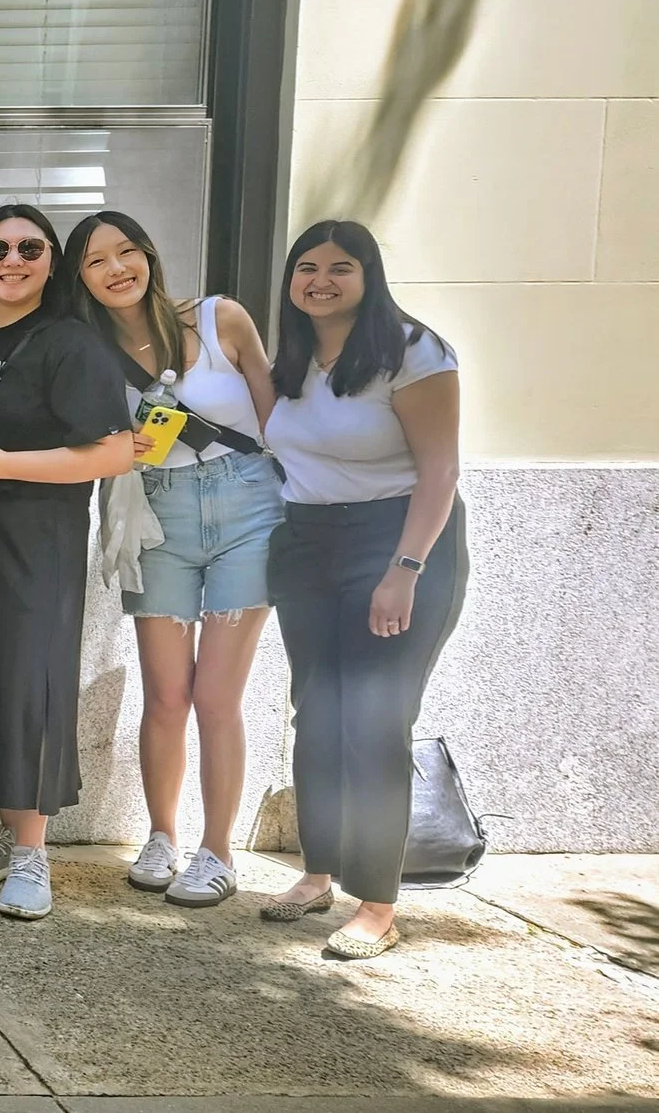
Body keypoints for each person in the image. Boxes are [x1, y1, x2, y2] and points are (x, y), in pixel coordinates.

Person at [0, 204, 133, 921]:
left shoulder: (68, 343)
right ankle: (9, 834)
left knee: (30, 683)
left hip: (38, 541)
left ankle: (35, 853)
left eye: (30, 248)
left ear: (51, 262)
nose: (12, 260)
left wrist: (3, 461)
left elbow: (113, 449)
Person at [257, 221, 465, 960]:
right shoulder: (294, 357)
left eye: (340, 267)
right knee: (315, 710)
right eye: (306, 267)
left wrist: (403, 570)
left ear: (368, 275)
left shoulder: (413, 349)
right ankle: (316, 871)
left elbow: (440, 472)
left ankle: (378, 902)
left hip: (397, 540)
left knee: (375, 720)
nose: (321, 280)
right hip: (308, 541)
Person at [65, 210, 281, 908]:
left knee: (217, 693)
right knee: (167, 693)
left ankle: (217, 850)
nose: (117, 268)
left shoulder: (221, 319)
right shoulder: (89, 352)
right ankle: (162, 834)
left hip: (247, 507)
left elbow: (278, 425)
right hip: (156, 516)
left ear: (150, 256)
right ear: (81, 278)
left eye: (128, 251)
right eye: (97, 260)